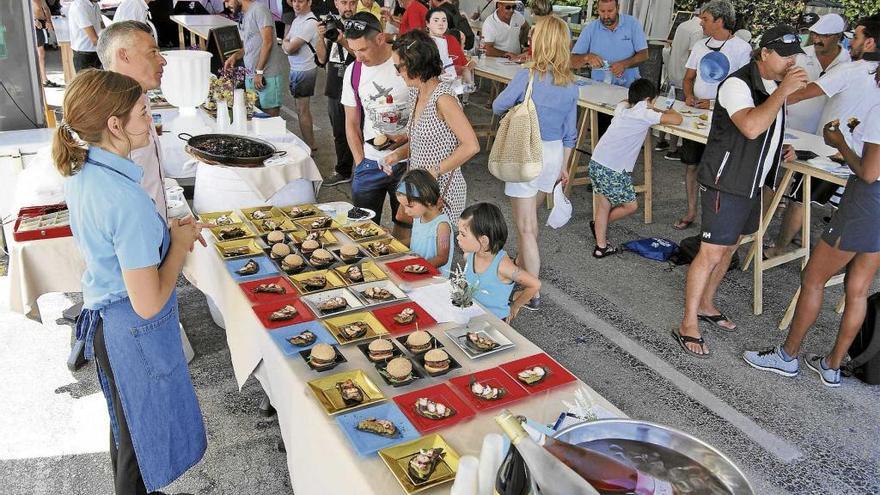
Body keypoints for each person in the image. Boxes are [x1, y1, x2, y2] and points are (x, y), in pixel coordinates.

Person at [53, 69, 207, 495]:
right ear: (115, 125)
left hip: (110, 325)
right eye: (144, 110)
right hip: (133, 331)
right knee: (141, 447)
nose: (151, 119)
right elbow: (149, 301)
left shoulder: (84, 172)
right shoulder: (126, 200)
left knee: (127, 432)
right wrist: (176, 244)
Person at [673, 25, 807, 358]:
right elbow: (749, 126)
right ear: (765, 53)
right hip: (728, 181)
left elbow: (766, 127)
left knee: (730, 248)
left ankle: (706, 304)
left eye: (795, 56)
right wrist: (783, 92)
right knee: (711, 253)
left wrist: (778, 149)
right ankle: (687, 322)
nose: (792, 63)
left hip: (750, 182)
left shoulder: (772, 84)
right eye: (786, 55)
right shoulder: (736, 83)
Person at [743, 71, 880, 388]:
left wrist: (840, 142)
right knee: (858, 289)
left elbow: (870, 172)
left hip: (865, 203)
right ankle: (832, 365)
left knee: (813, 278)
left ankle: (787, 357)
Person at [768, 15, 880, 258]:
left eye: (857, 37)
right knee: (845, 212)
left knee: (800, 198)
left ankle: (779, 249)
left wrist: (763, 105)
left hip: (831, 152)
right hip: (867, 160)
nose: (852, 43)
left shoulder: (849, 70)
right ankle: (839, 262)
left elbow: (800, 94)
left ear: (870, 43)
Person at [491, 15, 576, 311]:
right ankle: (523, 270)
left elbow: (497, 105)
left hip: (526, 150)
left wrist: (519, 107)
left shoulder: (527, 77)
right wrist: (565, 167)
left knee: (525, 227)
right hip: (553, 155)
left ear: (541, 42)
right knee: (532, 223)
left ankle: (532, 290)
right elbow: (571, 134)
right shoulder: (571, 85)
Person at [382, 29, 478, 223]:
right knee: (408, 237)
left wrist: (434, 171)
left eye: (398, 67)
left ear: (414, 65)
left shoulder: (443, 99)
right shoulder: (415, 93)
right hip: (418, 186)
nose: (396, 73)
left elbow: (471, 146)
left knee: (434, 250)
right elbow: (423, 141)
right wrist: (396, 155)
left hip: (440, 189)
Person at [671, 0, 751, 230]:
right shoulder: (699, 45)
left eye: (705, 19)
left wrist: (714, 103)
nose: (701, 22)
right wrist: (688, 96)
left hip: (724, 120)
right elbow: (688, 79)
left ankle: (714, 219)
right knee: (691, 164)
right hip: (696, 116)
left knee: (717, 171)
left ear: (719, 20)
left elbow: (743, 89)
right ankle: (691, 211)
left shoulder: (741, 49)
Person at [589, 79, 683, 257]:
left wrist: (647, 106)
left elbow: (623, 102)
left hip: (597, 161)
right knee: (631, 206)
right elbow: (677, 119)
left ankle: (601, 244)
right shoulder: (645, 114)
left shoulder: (623, 109)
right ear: (648, 100)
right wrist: (667, 110)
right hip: (614, 169)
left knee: (603, 204)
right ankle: (600, 228)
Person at [341, 12, 411, 236]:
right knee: (362, 231)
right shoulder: (354, 71)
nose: (358, 57)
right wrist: (361, 163)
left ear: (380, 39)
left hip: (408, 162)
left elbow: (427, 113)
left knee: (407, 230)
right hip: (370, 163)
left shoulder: (405, 64)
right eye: (353, 50)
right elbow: (351, 123)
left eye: (362, 49)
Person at [97, 20, 169, 221]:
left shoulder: (140, 97)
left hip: (155, 232)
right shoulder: (105, 114)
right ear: (123, 55)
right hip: (137, 240)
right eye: (152, 53)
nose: (162, 60)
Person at [457, 202, 541, 322]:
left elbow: (535, 285)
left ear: (484, 240)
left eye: (463, 234)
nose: (457, 237)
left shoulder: (502, 266)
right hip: (471, 314)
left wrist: (515, 306)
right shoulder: (470, 255)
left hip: (494, 323)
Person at [785, 13, 851, 135]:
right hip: (791, 128)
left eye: (823, 36)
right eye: (815, 34)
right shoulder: (799, 55)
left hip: (826, 133)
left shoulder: (849, 62)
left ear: (838, 36)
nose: (816, 40)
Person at [223, 0, 289, 117]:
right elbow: (250, 44)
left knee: (271, 120)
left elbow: (268, 42)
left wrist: (259, 71)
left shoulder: (259, 10)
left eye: (227, 0)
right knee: (254, 119)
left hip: (267, 76)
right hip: (251, 76)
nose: (226, 5)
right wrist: (235, 56)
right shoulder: (244, 15)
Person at [318, 0, 358, 186]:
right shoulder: (330, 25)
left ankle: (361, 169)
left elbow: (363, 56)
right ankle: (343, 170)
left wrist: (342, 40)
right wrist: (320, 37)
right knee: (339, 133)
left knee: (358, 131)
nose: (348, 7)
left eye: (352, 2)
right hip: (334, 87)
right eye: (344, 2)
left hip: (355, 89)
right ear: (336, 3)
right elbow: (321, 59)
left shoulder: (361, 25)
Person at [655, 5, 703, 154]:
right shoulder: (698, 30)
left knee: (667, 107)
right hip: (684, 77)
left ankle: (661, 141)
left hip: (672, 72)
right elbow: (692, 56)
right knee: (678, 112)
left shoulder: (683, 24)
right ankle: (673, 149)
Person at [570, 0, 648, 88]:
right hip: (599, 86)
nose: (606, 16)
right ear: (597, 10)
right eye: (602, 11)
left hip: (630, 87)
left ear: (617, 8)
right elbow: (572, 62)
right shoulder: (590, 29)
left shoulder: (632, 23)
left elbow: (644, 55)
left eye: (610, 11)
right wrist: (587, 57)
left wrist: (624, 64)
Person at [282, 0, 325, 150]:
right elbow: (286, 42)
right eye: (294, 1)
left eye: (300, 1)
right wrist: (286, 43)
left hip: (304, 70)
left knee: (302, 109)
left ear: (309, 2)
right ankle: (309, 143)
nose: (296, 5)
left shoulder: (309, 22)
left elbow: (289, 47)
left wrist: (286, 43)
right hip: (297, 69)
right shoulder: (297, 20)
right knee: (300, 109)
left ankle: (310, 145)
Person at [396, 169, 454, 274]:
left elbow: (442, 258)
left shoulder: (442, 226)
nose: (406, 211)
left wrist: (417, 268)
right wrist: (394, 245)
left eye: (410, 206)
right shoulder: (418, 217)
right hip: (414, 271)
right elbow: (417, 239)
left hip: (432, 279)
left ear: (427, 199)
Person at [425, 7, 469, 78]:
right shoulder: (423, 43)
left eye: (444, 20)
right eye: (436, 20)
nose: (441, 24)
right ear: (427, 23)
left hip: (455, 83)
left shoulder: (452, 39)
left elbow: (463, 65)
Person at [69, 0, 104, 71]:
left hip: (97, 51)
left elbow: (102, 26)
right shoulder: (79, 6)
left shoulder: (95, 4)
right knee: (87, 82)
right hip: (84, 54)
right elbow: (94, 39)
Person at [33, 0, 60, 88]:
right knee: (40, 54)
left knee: (41, 54)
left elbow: (46, 8)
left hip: (42, 24)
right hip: (35, 25)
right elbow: (25, 10)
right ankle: (42, 79)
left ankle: (44, 78)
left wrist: (49, 21)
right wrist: (34, 20)